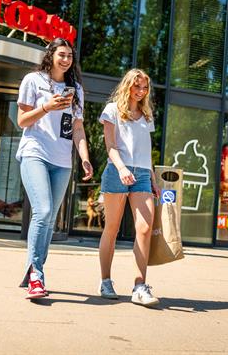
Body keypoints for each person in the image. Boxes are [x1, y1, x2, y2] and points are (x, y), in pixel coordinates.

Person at [16, 37, 93, 299]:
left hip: (62, 161)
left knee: (50, 219)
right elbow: (23, 121)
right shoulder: (33, 81)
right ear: (51, 55)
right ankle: (36, 274)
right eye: (61, 54)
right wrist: (46, 106)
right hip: (35, 153)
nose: (66, 59)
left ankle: (34, 270)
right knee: (44, 210)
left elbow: (78, 128)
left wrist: (84, 157)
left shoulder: (76, 90)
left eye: (70, 56)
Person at [97, 69, 160, 306]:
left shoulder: (146, 115)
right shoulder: (112, 110)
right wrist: (122, 169)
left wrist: (152, 177)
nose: (141, 91)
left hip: (142, 173)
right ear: (128, 86)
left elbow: (146, 149)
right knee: (111, 229)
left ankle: (139, 287)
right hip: (117, 171)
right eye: (137, 86)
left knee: (144, 228)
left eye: (144, 87)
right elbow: (110, 145)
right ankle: (105, 281)